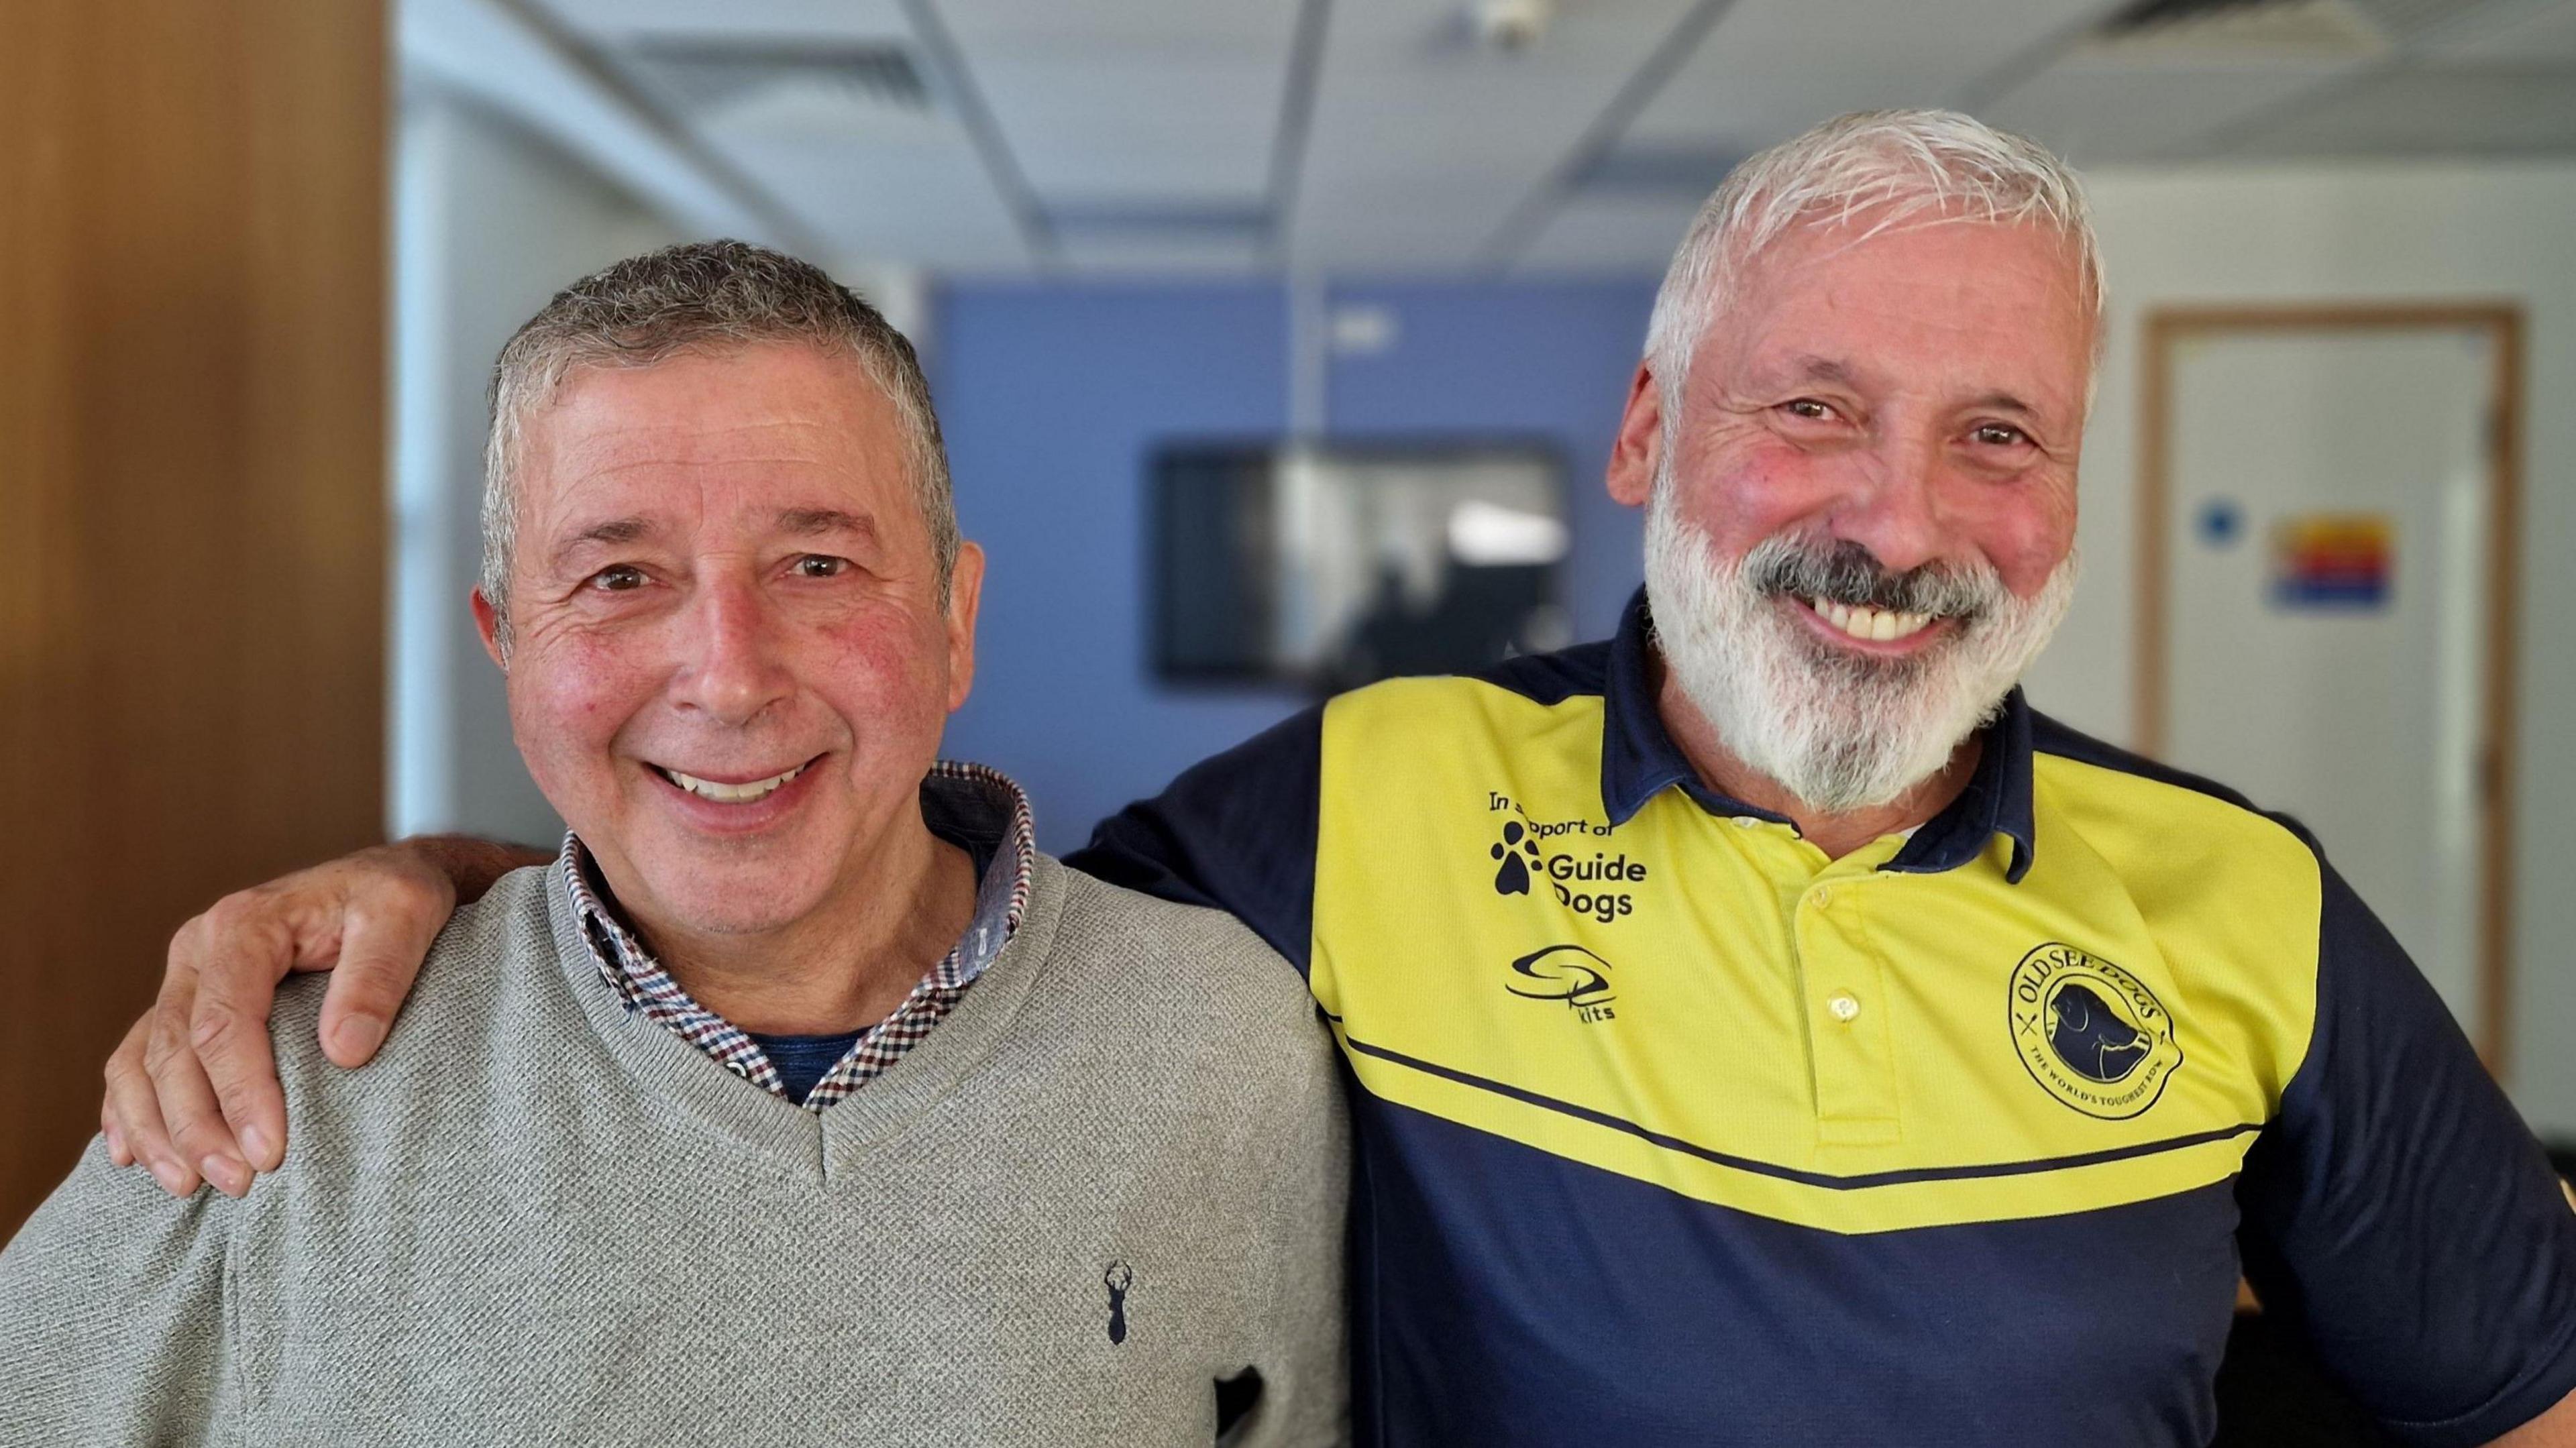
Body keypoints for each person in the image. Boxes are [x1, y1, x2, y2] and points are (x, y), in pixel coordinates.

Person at [90, 111, 2576, 1445]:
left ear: (2076, 481)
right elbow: (842, 894)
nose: (1896, 519)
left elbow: (2511, 1396)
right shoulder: (1369, 805)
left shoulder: (2246, 901)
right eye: (1807, 407)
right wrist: (444, 890)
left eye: (1993, 434)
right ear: (1645, 436)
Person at [2, 242, 1346, 1445]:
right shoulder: (280, 1082)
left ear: (954, 619)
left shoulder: (1223, 1048)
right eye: (620, 578)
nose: (728, 678)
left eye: (817, 564)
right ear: (505, 646)